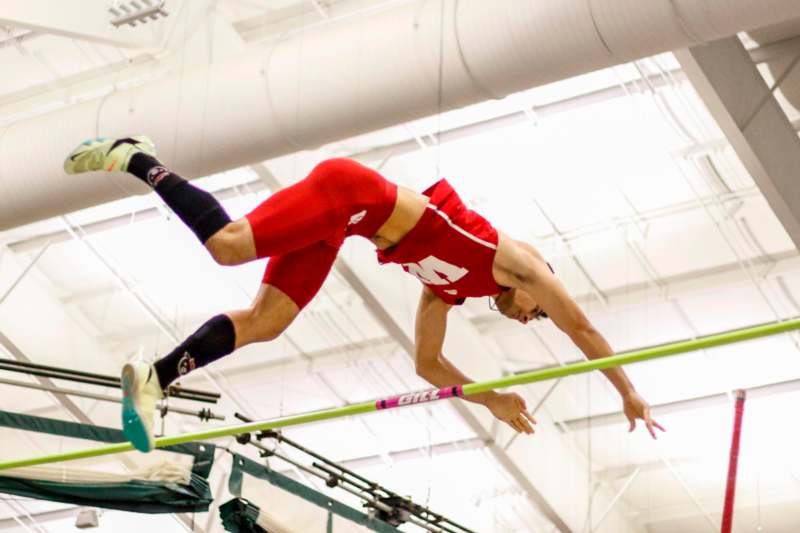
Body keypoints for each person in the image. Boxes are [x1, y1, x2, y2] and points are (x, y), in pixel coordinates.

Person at [64, 136, 664, 452]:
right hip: (350, 195)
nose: (531, 318)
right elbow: (581, 329)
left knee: (267, 322)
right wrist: (629, 390)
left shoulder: (450, 290)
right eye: (536, 316)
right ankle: (137, 157)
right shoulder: (523, 267)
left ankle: (156, 376)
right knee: (228, 245)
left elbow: (427, 362)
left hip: (343, 226)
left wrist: (493, 400)